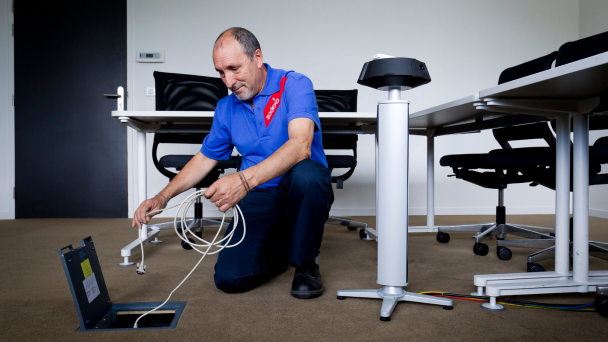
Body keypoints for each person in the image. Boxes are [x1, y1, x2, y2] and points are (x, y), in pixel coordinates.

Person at [132, 27, 334, 299]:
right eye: (221, 72)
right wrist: (162, 197)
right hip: (261, 194)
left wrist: (243, 180)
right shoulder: (226, 107)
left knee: (307, 175)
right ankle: (287, 247)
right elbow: (206, 158)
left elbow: (300, 146)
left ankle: (306, 262)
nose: (228, 81)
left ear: (258, 57)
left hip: (298, 186)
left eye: (234, 68)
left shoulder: (294, 84)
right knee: (229, 278)